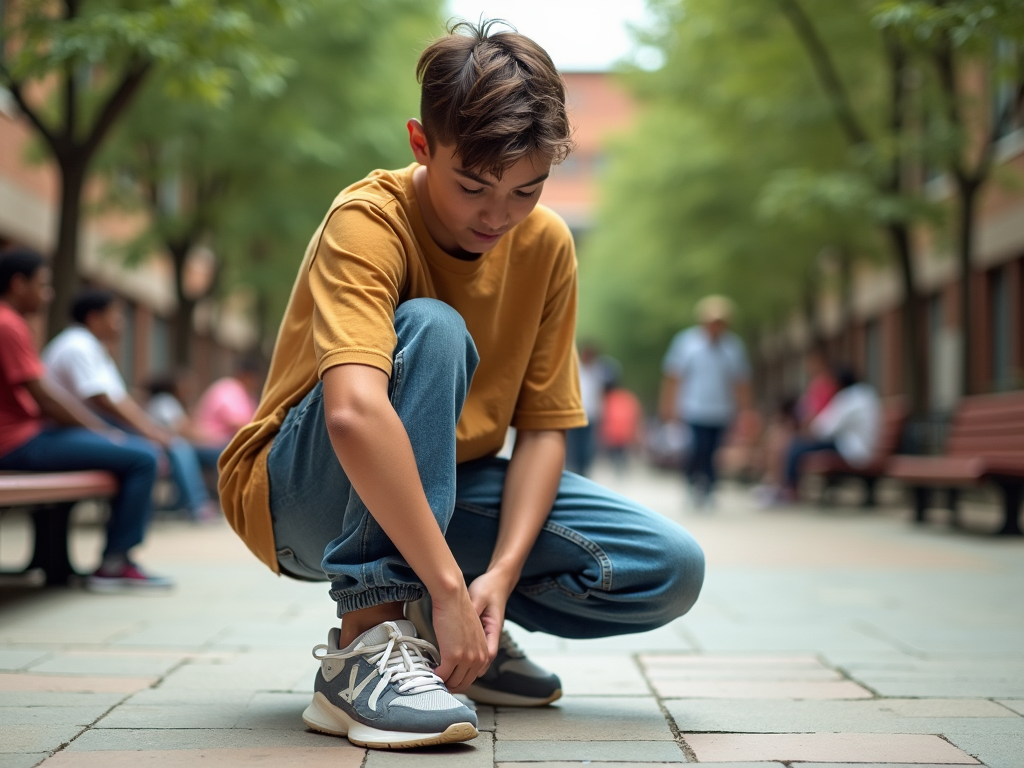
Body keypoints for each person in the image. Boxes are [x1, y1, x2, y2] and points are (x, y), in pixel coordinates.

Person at [219, 21, 705, 751]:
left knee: (666, 567)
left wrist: (497, 581)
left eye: (526, 191)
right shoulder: (369, 220)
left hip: (447, 487)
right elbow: (352, 414)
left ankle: (449, 642)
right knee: (433, 328)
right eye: (473, 186)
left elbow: (544, 429)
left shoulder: (545, 245)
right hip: (302, 492)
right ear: (422, 143)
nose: (498, 216)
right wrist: (447, 586)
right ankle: (366, 643)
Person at [0, 248, 170, 590]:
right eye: (42, 285)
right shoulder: (8, 324)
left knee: (136, 452)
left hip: (25, 435)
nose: (47, 294)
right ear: (19, 284)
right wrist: (104, 433)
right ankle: (114, 563)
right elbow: (45, 397)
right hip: (15, 441)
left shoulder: (13, 324)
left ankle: (83, 560)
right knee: (142, 457)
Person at [43, 289, 219, 522]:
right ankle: (190, 509)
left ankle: (190, 506)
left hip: (88, 426)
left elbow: (117, 399)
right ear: (94, 318)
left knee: (166, 447)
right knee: (151, 454)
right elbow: (103, 399)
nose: (122, 322)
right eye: (115, 316)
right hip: (68, 430)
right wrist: (148, 431)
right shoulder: (78, 345)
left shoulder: (93, 348)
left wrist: (148, 429)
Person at [659, 295, 751, 509]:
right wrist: (668, 406)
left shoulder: (733, 347)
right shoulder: (686, 343)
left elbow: (741, 382)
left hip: (721, 409)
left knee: (713, 451)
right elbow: (673, 378)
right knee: (696, 448)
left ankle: (709, 487)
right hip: (693, 407)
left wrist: (746, 410)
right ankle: (692, 482)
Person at [783, 367, 881, 500]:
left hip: (852, 451)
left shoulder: (848, 399)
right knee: (801, 444)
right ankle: (789, 488)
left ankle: (790, 490)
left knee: (798, 446)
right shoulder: (866, 394)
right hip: (865, 449)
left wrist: (810, 429)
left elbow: (823, 429)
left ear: (840, 383)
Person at [192, 358, 261, 447]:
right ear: (245, 375)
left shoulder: (249, 395)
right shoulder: (229, 388)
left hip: (225, 441)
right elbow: (236, 423)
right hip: (210, 441)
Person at [565, 342, 605, 476]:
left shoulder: (598, 372)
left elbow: (600, 395)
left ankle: (584, 470)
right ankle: (574, 469)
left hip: (591, 416)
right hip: (574, 414)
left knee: (587, 446)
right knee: (573, 445)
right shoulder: (575, 369)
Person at [600, 379, 643, 475]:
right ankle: (621, 469)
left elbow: (603, 416)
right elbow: (635, 414)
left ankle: (618, 469)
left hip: (613, 433)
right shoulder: (627, 397)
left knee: (616, 454)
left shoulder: (608, 399)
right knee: (621, 453)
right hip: (624, 433)